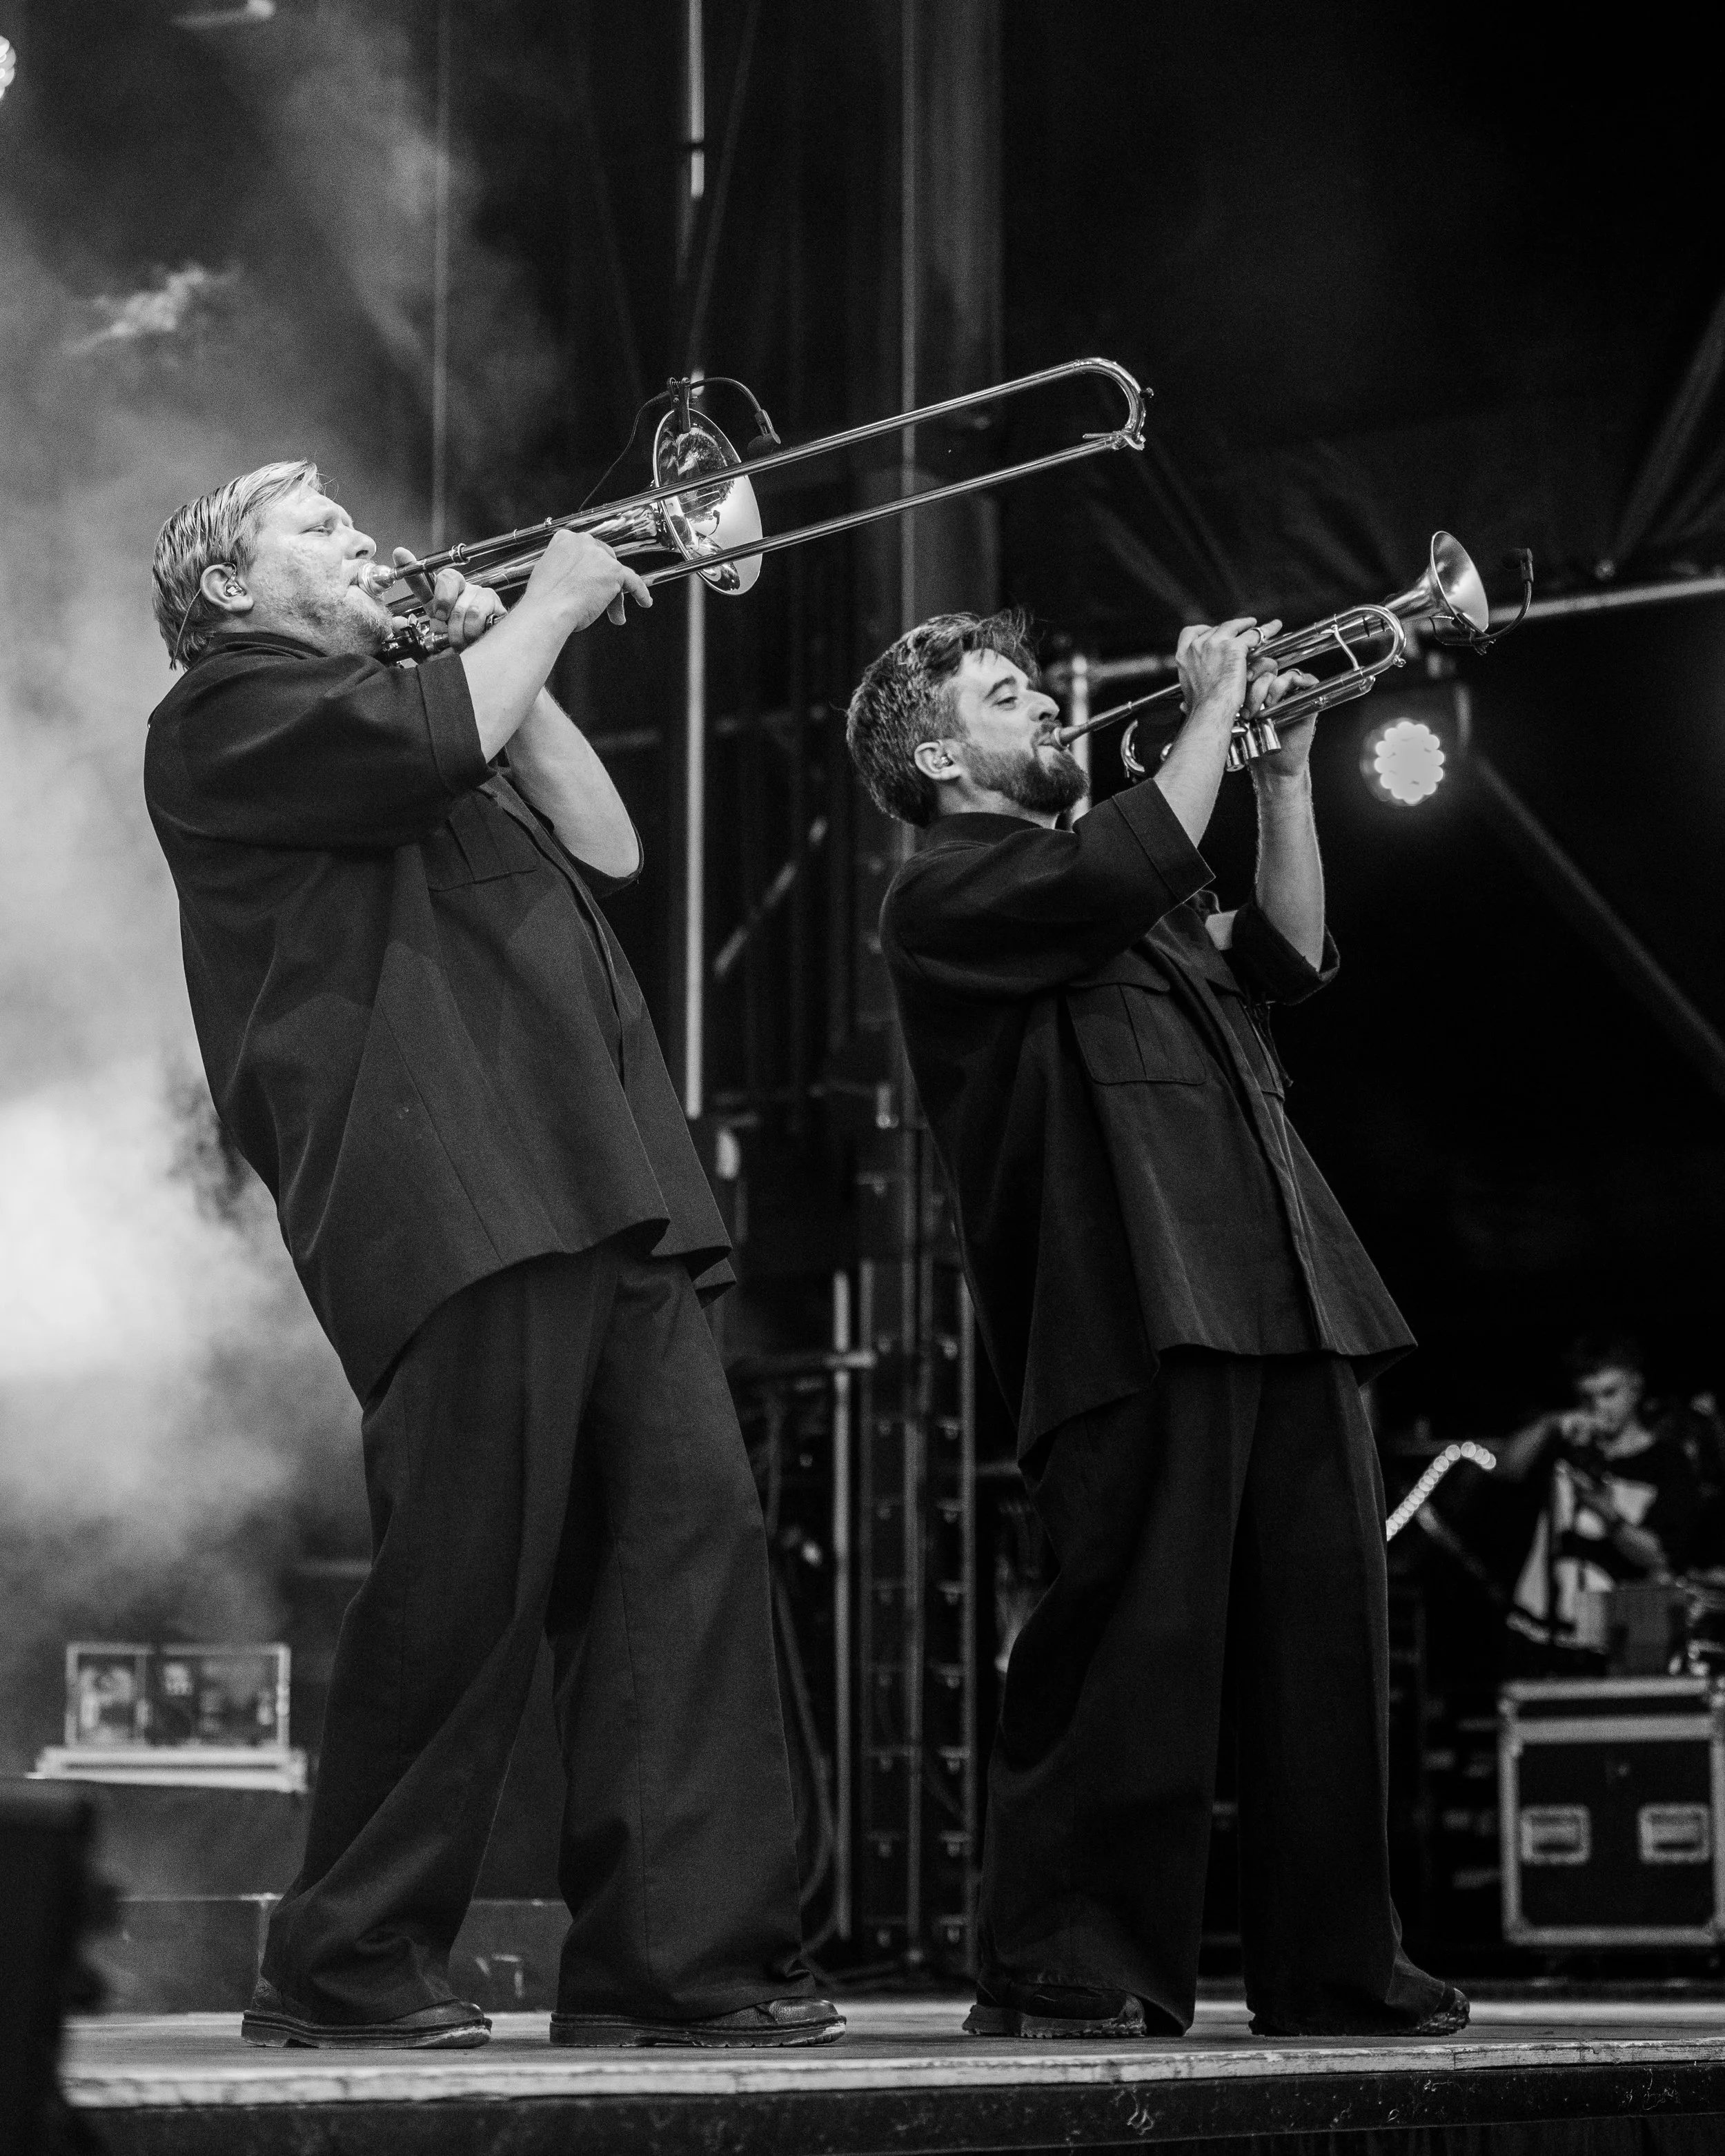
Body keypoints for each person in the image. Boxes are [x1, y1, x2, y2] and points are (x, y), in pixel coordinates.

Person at [144, 461, 840, 2052]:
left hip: (598, 1166)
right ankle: (344, 1959)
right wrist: (546, 609)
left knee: (685, 1547)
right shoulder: (226, 710)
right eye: (314, 527)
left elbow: (608, 840)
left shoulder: (433, 705)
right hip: (453, 1179)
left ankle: (678, 1958)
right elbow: (433, 744)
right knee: (465, 1579)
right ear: (231, 588)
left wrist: (511, 647)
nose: (358, 535)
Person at [846, 608, 1464, 2041]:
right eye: (1006, 694)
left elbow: (1287, 953)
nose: (1044, 705)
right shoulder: (945, 890)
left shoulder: (1121, 889)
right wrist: (1208, 707)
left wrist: (1282, 773)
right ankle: (1070, 1958)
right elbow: (1126, 858)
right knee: (1137, 1638)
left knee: (1323, 1650)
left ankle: (1333, 1966)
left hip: (1283, 1282)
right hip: (1127, 1299)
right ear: (940, 756)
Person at [1502, 1333, 1708, 1652]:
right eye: (1587, 1397)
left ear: (1635, 1388)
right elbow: (1506, 1469)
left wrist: (1605, 1512)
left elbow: (1662, 1557)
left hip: (1624, 1633)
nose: (1599, 1407)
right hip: (1542, 1629)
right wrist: (1552, 1425)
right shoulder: (1567, 1447)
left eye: (1610, 1393)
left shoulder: (1668, 1463)